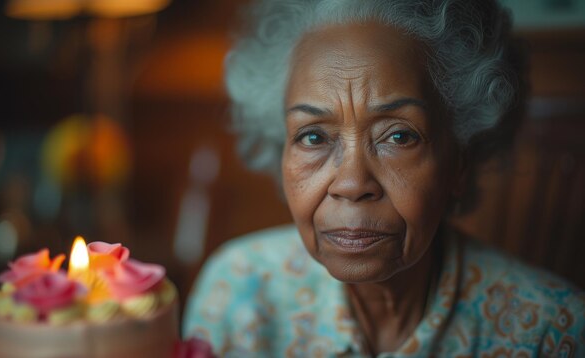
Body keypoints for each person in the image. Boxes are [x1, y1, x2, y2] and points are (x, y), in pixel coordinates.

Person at [183, 0, 585, 356]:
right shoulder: (238, 292)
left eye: (399, 135)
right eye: (313, 136)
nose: (353, 184)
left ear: (459, 159)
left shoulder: (552, 331)